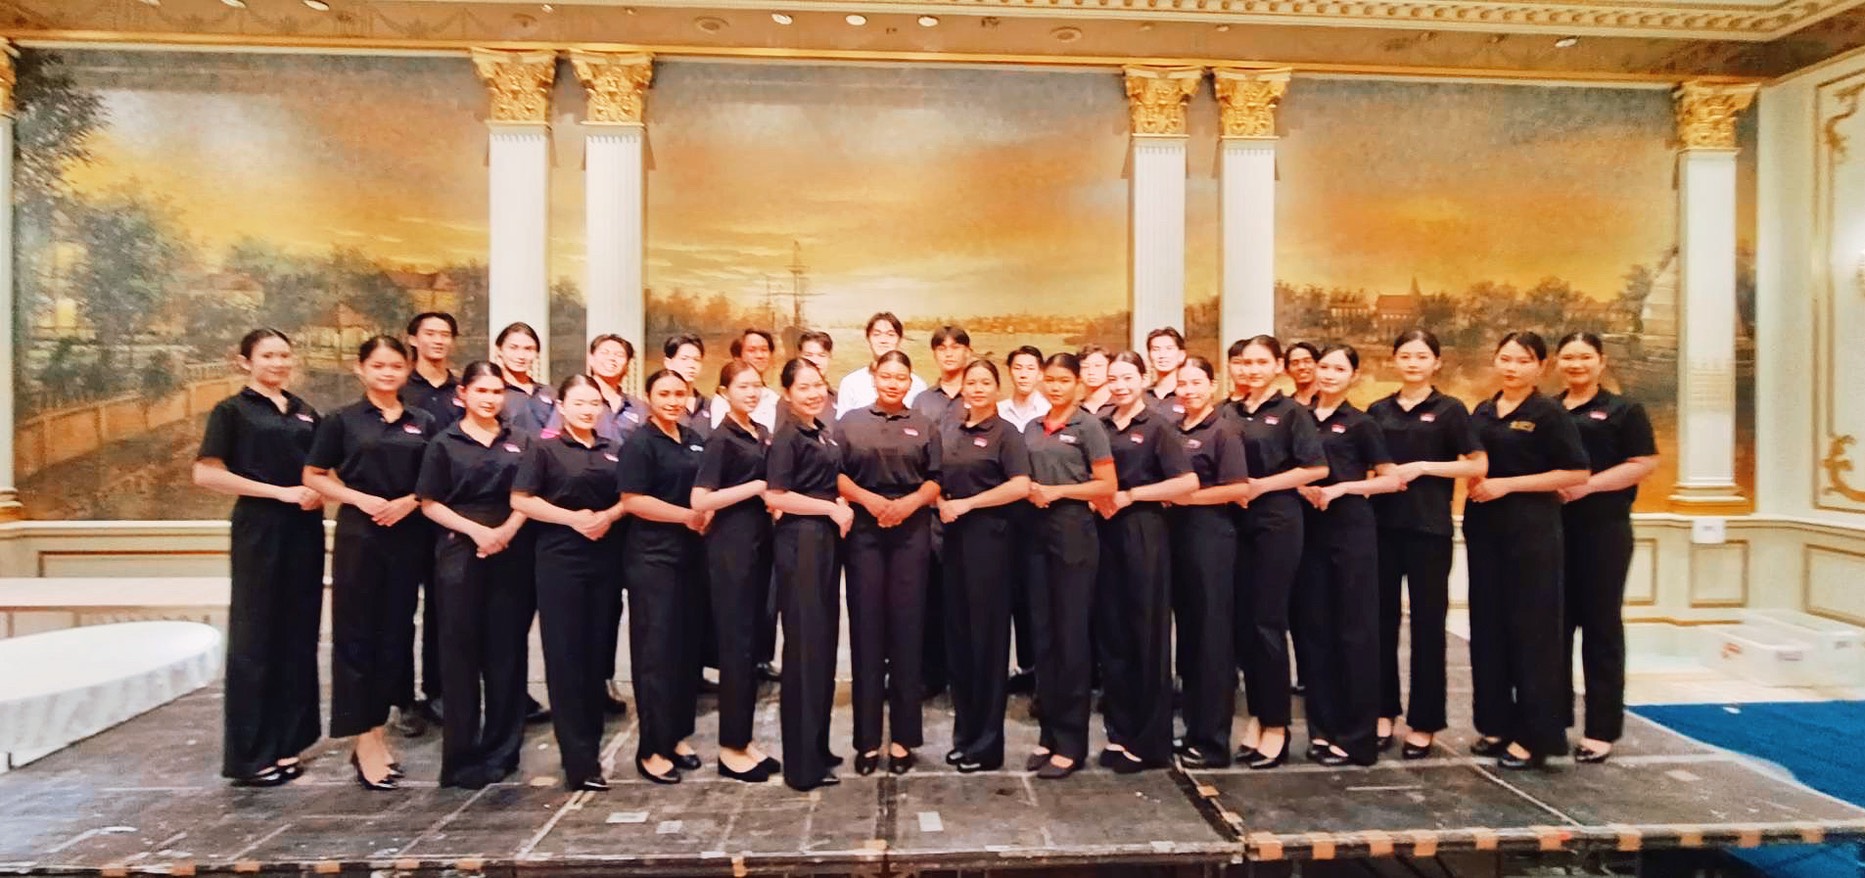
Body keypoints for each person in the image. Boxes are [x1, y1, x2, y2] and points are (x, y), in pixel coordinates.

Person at [303, 335, 437, 791]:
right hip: (361, 535)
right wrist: (359, 499)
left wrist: (409, 501)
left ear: (407, 370)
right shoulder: (342, 420)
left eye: (395, 366)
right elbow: (313, 475)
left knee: (395, 636)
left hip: (408, 534)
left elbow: (434, 477)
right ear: (360, 369)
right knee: (356, 637)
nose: (387, 373)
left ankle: (380, 730)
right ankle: (364, 739)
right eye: (378, 365)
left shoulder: (423, 421)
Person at [194, 328, 327, 788]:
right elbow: (206, 474)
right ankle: (249, 756)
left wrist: (319, 491)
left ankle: (288, 742)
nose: (278, 363)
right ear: (244, 361)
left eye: (284, 355)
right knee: (256, 637)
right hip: (260, 528)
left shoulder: (304, 410)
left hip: (304, 530)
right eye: (268, 355)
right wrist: (279, 492)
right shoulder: (232, 411)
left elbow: (322, 466)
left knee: (297, 634)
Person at [1464, 331, 1590, 770]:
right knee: (1488, 628)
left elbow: (1575, 473)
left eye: (1522, 360)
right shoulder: (1483, 410)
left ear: (1540, 366)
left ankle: (1535, 735)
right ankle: (1495, 724)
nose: (1512, 367)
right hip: (1484, 530)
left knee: (1533, 632)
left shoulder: (1549, 413)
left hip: (1532, 531)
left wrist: (1508, 485)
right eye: (1505, 358)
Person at [415, 361, 535, 789]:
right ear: (462, 394)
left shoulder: (521, 441)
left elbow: (528, 495)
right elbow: (429, 503)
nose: (490, 399)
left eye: (497, 392)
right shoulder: (443, 443)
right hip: (459, 551)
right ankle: (462, 757)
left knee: (508, 653)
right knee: (460, 654)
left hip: (512, 549)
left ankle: (504, 751)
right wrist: (478, 532)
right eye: (481, 391)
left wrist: (505, 531)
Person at [1368, 329, 1486, 759]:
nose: (1413, 363)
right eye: (1406, 355)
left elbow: (1477, 464)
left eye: (1421, 356)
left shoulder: (1451, 410)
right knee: (1379, 625)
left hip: (1429, 531)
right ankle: (1382, 712)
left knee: (1428, 627)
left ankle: (1424, 722)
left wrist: (1422, 467)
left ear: (1436, 362)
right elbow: (1366, 463)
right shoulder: (1378, 410)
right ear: (1394, 360)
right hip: (1381, 529)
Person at [511, 375, 629, 791]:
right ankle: (577, 761)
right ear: (560, 406)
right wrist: (573, 519)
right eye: (578, 402)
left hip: (605, 559)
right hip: (560, 560)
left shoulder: (613, 449)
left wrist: (608, 516)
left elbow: (627, 497)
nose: (587, 410)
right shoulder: (544, 449)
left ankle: (591, 747)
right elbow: (521, 499)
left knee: (596, 656)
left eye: (594, 403)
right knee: (566, 658)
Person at [1292, 345, 1401, 767]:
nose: (1329, 374)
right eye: (1324, 366)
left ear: (1354, 375)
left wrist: (1342, 488)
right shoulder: (1299, 417)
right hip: (1307, 532)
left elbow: (1390, 481)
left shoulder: (1361, 423)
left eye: (1339, 368)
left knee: (1355, 633)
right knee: (1314, 632)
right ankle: (1322, 731)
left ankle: (1357, 738)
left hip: (1351, 531)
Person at [1224, 335, 1328, 769]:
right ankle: (1257, 716)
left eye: (1261, 362)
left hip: (1277, 522)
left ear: (1278, 365)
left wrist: (1262, 486)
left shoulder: (1291, 412)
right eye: (1245, 363)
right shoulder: (1228, 411)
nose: (1251, 370)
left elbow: (1316, 468)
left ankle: (1277, 727)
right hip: (1234, 524)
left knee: (1267, 623)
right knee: (1243, 626)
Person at [1554, 331, 1658, 765]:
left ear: (1601, 361)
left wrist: (1588, 486)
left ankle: (1601, 729)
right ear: (1557, 363)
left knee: (1600, 629)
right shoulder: (1548, 410)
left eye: (1585, 357)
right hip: (1551, 532)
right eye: (1568, 357)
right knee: (1553, 630)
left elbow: (1643, 463)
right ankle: (1551, 722)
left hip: (1603, 531)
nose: (1576, 365)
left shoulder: (1624, 410)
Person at [838, 350, 942, 775]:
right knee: (866, 634)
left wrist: (909, 504)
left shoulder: (925, 424)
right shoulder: (850, 422)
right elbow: (837, 475)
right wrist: (870, 500)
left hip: (911, 533)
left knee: (907, 633)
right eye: (887, 376)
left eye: (901, 376)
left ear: (910, 380)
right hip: (864, 532)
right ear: (874, 378)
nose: (894, 383)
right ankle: (866, 742)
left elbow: (936, 479)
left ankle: (902, 740)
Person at [1094, 351, 1197, 772]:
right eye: (1113, 378)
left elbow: (1187, 482)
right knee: (1113, 636)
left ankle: (1151, 741)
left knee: (1146, 635)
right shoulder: (1099, 424)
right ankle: (1120, 733)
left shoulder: (1157, 426)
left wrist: (1132, 495)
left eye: (1127, 378)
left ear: (1143, 379)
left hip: (1144, 531)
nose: (1119, 385)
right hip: (1104, 532)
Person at [1022, 353, 1117, 778]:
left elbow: (1107, 485)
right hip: (1035, 535)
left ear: (1078, 383)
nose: (1055, 387)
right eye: (1050, 379)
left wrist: (1058, 492)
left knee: (1071, 638)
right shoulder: (1032, 427)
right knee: (1043, 637)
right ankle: (1048, 734)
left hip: (1074, 534)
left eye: (1064, 380)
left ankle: (1072, 742)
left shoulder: (1088, 426)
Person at [764, 357, 856, 791]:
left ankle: (817, 746)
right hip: (800, 541)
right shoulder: (787, 436)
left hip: (824, 542)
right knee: (803, 648)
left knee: (821, 644)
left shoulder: (820, 431)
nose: (814, 393)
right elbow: (776, 496)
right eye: (803, 387)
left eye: (818, 384)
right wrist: (829, 508)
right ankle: (802, 765)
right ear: (787, 393)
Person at [616, 368, 712, 784]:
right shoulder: (640, 442)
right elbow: (633, 500)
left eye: (679, 393)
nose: (673, 401)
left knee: (685, 650)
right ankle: (652, 748)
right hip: (653, 558)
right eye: (664, 394)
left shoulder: (692, 438)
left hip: (692, 555)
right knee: (655, 652)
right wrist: (686, 516)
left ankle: (676, 735)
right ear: (649, 397)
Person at [936, 358, 1032, 773]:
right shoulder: (951, 431)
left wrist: (968, 504)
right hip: (953, 544)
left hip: (991, 545)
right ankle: (965, 736)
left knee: (988, 645)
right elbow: (936, 478)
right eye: (971, 382)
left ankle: (988, 745)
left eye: (984, 382)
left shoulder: (1006, 434)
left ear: (997, 388)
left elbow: (1020, 485)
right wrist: (940, 501)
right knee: (959, 643)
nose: (976, 388)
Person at [692, 360, 783, 783]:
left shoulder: (759, 432)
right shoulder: (721, 438)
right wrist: (756, 488)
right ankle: (729, 749)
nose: (751, 392)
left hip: (759, 546)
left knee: (750, 649)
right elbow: (700, 500)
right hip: (731, 549)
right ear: (724, 392)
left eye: (756, 386)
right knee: (734, 647)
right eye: (742, 386)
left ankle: (744, 740)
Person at [1167, 356, 1251, 768]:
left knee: (1212, 640)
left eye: (1195, 383)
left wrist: (1188, 498)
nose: (1188, 391)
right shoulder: (1174, 428)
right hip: (1178, 539)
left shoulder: (1223, 429)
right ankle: (1193, 730)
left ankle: (1214, 741)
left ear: (1212, 385)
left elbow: (1238, 489)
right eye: (1182, 384)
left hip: (1212, 539)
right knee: (1190, 640)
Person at [399, 312, 463, 732]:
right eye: (430, 333)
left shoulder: (463, 389)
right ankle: (403, 699)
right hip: (406, 515)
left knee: (446, 609)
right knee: (400, 609)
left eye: (445, 334)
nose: (438, 341)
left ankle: (440, 690)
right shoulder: (400, 387)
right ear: (413, 339)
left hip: (451, 515)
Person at [835, 312, 927, 417]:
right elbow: (843, 423)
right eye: (877, 334)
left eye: (890, 335)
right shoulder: (851, 383)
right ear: (868, 338)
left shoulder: (918, 385)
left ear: (899, 339)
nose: (883, 340)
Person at [709, 329, 781, 430]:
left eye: (764, 350)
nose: (760, 356)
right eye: (752, 350)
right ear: (737, 357)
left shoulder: (773, 397)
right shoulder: (724, 399)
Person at [496, 323, 555, 438]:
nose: (521, 356)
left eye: (528, 349)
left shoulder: (549, 392)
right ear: (499, 350)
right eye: (513, 348)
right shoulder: (494, 392)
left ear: (537, 354)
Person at [588, 334, 647, 445]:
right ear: (591, 359)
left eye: (619, 355)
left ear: (627, 365)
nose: (611, 358)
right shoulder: (576, 400)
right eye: (604, 352)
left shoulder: (638, 407)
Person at [912, 325, 972, 425]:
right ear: (934, 354)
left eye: (955, 347)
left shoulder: (976, 396)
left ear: (967, 352)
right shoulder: (923, 400)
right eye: (941, 349)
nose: (948, 354)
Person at [663, 333, 714, 441]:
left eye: (696, 360)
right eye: (684, 359)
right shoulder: (660, 403)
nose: (691, 365)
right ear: (668, 363)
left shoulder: (709, 405)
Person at [998, 345, 1051, 431]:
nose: (1023, 375)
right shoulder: (998, 411)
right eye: (1017, 368)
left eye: (1030, 368)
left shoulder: (1049, 410)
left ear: (1041, 373)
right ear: (1009, 372)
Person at [1143, 329, 1189, 418]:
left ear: (1181, 355)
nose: (1162, 355)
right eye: (1156, 349)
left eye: (1169, 348)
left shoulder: (1188, 394)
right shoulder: (1142, 397)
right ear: (1149, 356)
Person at [1078, 344, 1114, 415]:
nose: (1091, 372)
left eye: (1098, 366)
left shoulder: (1120, 405)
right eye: (1085, 367)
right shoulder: (1073, 409)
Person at [1285, 342, 1321, 408]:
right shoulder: (1285, 407)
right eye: (1295, 363)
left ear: (1318, 364)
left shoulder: (1330, 401)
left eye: (1307, 361)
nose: (1302, 367)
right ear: (1287, 370)